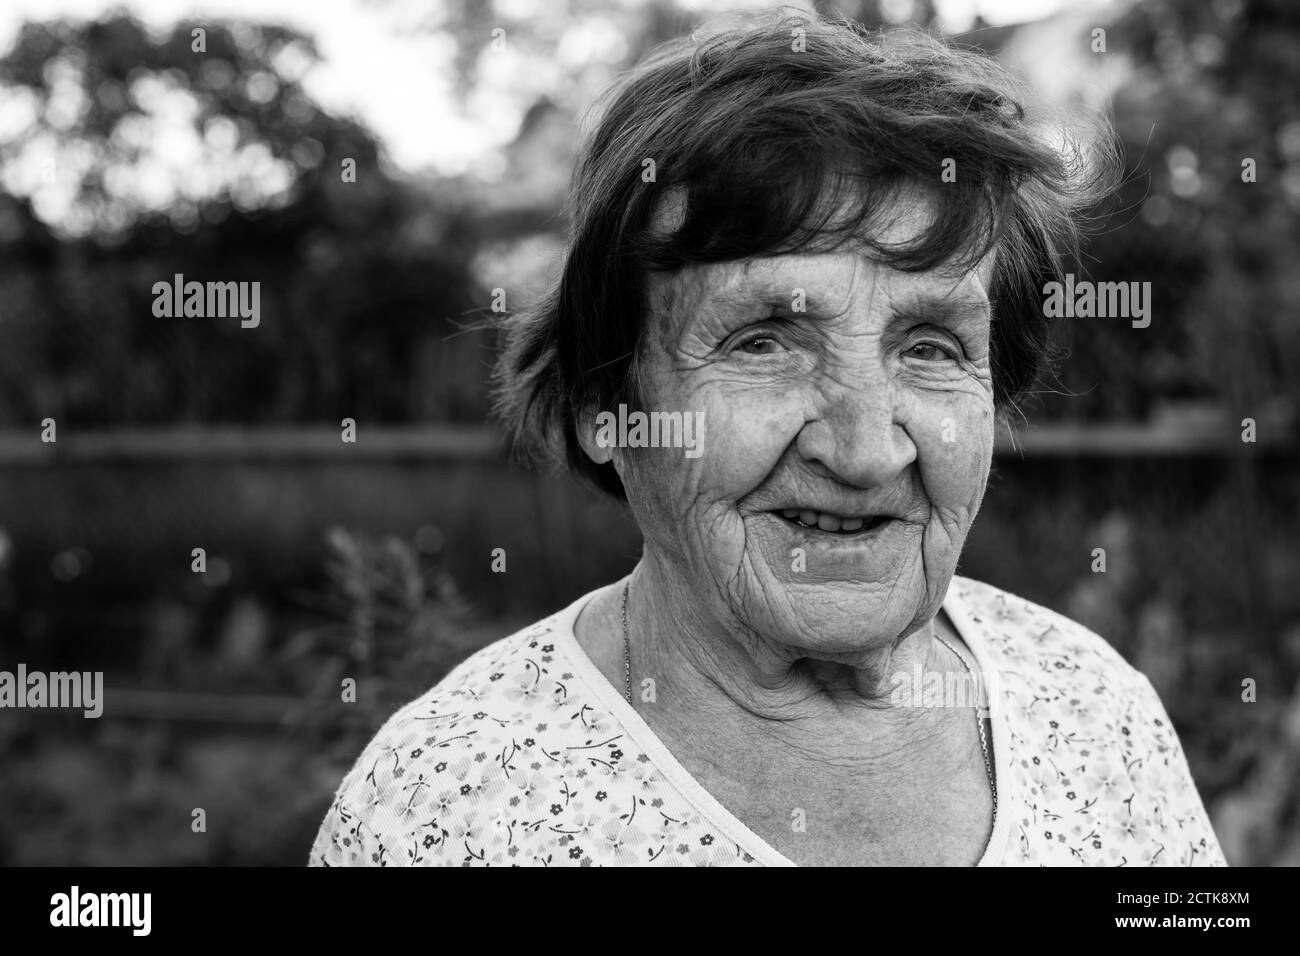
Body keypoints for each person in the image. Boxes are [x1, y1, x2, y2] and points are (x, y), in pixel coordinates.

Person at [310, 11, 1226, 866]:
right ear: (604, 401)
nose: (867, 452)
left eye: (931, 347)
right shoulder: (446, 813)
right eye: (764, 343)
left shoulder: (1095, 709)